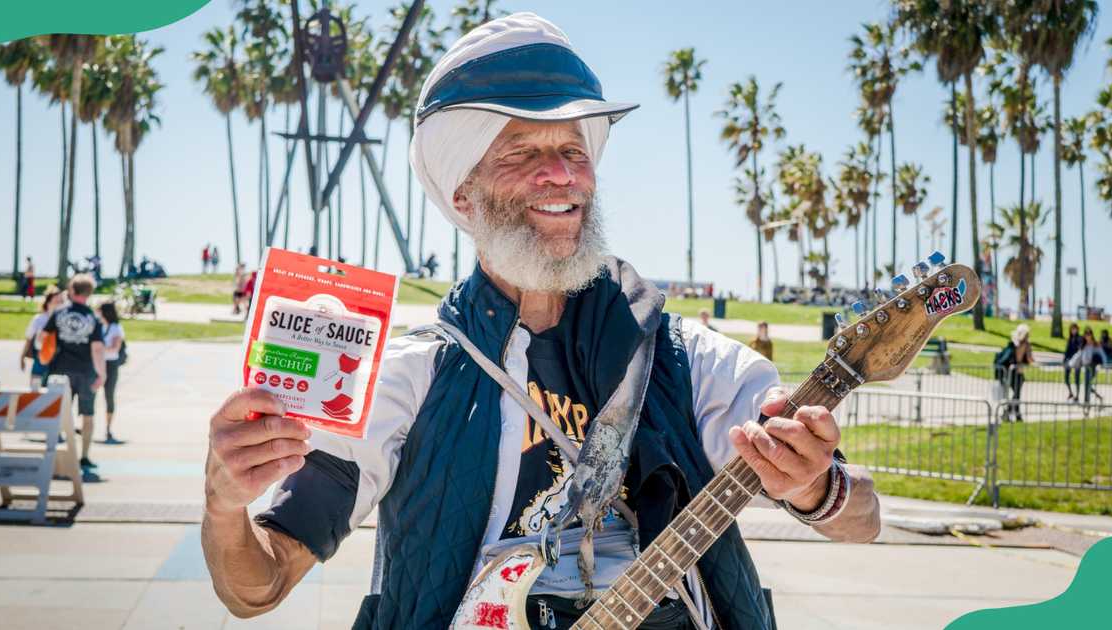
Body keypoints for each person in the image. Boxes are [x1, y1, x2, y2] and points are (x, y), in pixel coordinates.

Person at [201, 14, 879, 629]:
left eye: (574, 150)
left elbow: (862, 520)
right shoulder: (409, 378)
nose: (561, 175)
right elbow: (256, 586)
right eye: (522, 152)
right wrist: (225, 503)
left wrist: (816, 483)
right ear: (463, 193)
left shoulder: (680, 354)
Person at [42, 273, 106, 469]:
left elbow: (42, 338)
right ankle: (84, 456)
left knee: (60, 413)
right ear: (89, 293)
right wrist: (102, 374)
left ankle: (59, 454)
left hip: (60, 371)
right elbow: (97, 349)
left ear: (71, 290)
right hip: (86, 371)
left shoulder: (58, 313)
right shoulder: (93, 318)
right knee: (88, 415)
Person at [20, 286, 65, 388]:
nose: (59, 303)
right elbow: (29, 338)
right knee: (35, 386)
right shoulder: (39, 319)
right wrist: (22, 357)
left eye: (61, 301)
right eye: (56, 300)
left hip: (57, 358)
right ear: (48, 301)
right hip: (40, 355)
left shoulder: (63, 319)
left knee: (55, 388)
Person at [98, 301, 125, 444]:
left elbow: (115, 348)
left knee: (109, 395)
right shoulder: (98, 326)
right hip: (97, 363)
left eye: (99, 311)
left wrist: (98, 349)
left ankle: (108, 428)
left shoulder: (116, 328)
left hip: (110, 365)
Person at [1001, 324, 1033, 422]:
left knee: (1016, 394)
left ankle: (1011, 413)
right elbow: (1029, 358)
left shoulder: (1014, 342)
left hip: (1010, 370)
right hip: (1017, 371)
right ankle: (1012, 413)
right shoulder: (1025, 344)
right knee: (1017, 395)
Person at [1070, 327, 1107, 404]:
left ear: (1091, 335)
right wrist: (1071, 363)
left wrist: (1105, 364)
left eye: (1089, 334)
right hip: (1086, 368)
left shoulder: (1095, 344)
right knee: (1087, 384)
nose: (1088, 336)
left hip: (1092, 367)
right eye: (1086, 334)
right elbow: (1078, 355)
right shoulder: (1083, 345)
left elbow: (1102, 354)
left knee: (1087, 384)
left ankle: (1087, 402)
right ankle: (1097, 397)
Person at [1064, 323, 1083, 402]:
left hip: (1076, 361)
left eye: (1075, 329)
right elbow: (1067, 351)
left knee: (1077, 379)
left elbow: (1080, 349)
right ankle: (1071, 392)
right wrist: (1064, 360)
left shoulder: (1080, 338)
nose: (1073, 330)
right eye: (1072, 329)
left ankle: (1077, 395)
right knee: (1066, 378)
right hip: (1069, 360)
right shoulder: (1069, 339)